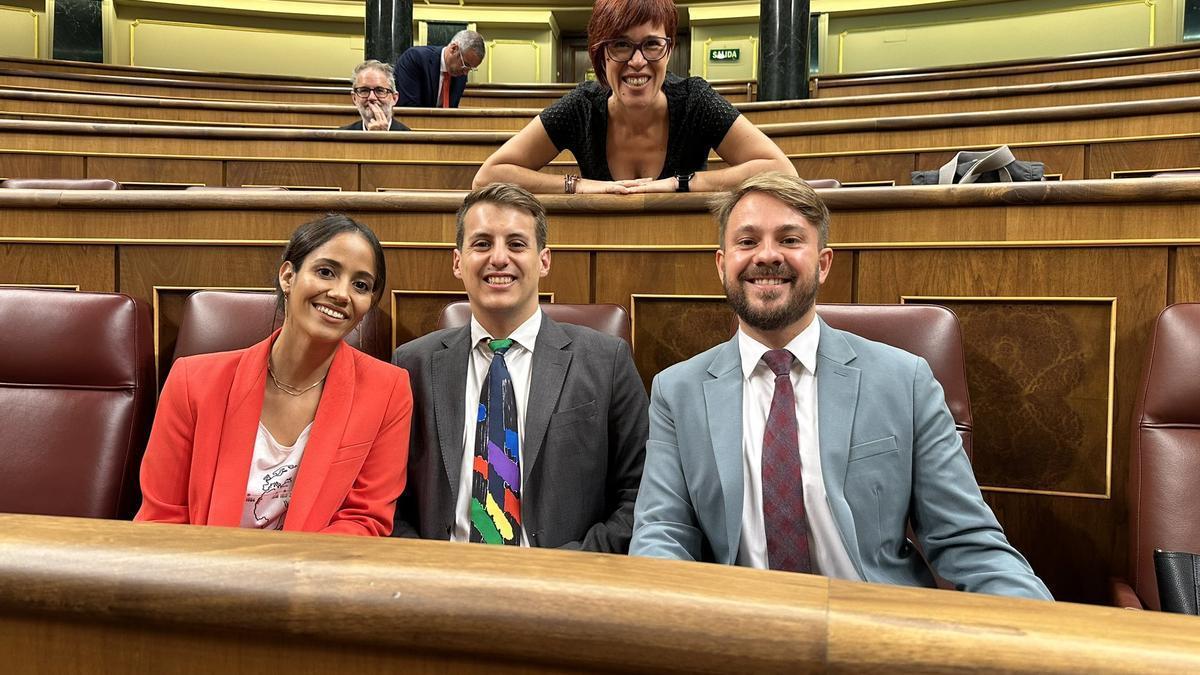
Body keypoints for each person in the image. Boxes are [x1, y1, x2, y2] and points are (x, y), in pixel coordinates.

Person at [629, 173, 1052, 599]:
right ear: (722, 264)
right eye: (747, 241)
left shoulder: (905, 380)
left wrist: (1047, 636)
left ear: (824, 263)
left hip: (874, 631)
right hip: (740, 634)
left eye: (791, 240)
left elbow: (968, 542)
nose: (767, 255)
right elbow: (662, 534)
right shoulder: (676, 391)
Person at [391, 183, 647, 551]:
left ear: (544, 261)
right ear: (457, 261)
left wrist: (567, 569)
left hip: (564, 582)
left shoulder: (607, 361)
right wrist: (427, 566)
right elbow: (388, 497)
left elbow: (639, 493)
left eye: (516, 244)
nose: (498, 258)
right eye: (481, 244)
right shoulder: (411, 366)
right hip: (439, 581)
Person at [135, 215, 412, 536]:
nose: (341, 293)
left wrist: (286, 579)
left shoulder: (388, 390)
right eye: (326, 272)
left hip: (313, 577)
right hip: (204, 573)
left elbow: (365, 520)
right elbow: (162, 518)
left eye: (360, 285)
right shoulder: (191, 381)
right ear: (288, 276)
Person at [472, 0, 795, 195]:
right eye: (621, 45)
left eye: (652, 44)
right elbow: (488, 177)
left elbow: (781, 170)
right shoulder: (581, 107)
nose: (637, 61)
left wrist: (679, 183)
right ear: (600, 54)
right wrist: (579, 186)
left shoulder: (696, 100)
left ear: (669, 51)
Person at [394, 31, 485, 109]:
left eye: (470, 69)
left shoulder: (460, 74)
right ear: (454, 49)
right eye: (465, 65)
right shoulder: (415, 58)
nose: (465, 73)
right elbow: (408, 108)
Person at [341, 60, 411, 131]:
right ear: (354, 98)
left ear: (394, 98)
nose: (371, 97)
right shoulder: (340, 137)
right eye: (364, 90)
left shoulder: (410, 139)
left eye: (379, 90)